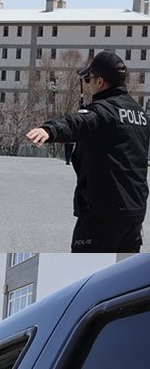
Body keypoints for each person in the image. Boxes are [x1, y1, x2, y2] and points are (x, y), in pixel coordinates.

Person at [24, 50, 150, 252]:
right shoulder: (141, 115)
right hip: (134, 215)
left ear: (100, 81)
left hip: (101, 216)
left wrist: (49, 129)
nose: (88, 83)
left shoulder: (103, 111)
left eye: (89, 78)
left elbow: (77, 121)